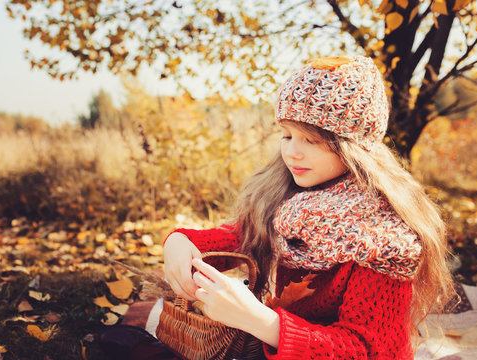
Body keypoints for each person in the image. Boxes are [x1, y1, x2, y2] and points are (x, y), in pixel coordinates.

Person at [162, 55, 456, 359]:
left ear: (353, 148)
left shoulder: (383, 238)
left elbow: (366, 350)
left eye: (311, 140)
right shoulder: (291, 197)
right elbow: (243, 235)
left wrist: (260, 321)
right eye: (286, 135)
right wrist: (181, 241)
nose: (292, 152)